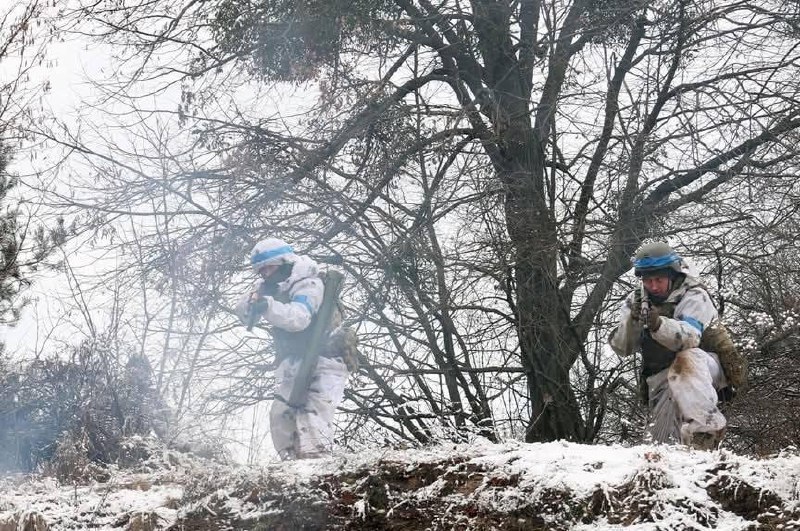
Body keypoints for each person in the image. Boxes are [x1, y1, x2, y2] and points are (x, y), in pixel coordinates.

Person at [235, 237, 352, 460]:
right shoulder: (273, 286)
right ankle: (290, 469)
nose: (265, 274)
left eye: (269, 268)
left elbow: (299, 318)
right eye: (261, 271)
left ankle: (318, 470)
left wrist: (268, 306)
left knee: (313, 418)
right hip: (296, 360)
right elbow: (242, 312)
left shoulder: (308, 283)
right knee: (281, 415)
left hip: (327, 360)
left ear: (284, 263)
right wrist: (254, 302)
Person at [609, 242, 730, 450]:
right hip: (661, 377)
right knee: (660, 447)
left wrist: (658, 324)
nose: (653, 286)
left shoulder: (694, 294)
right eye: (648, 280)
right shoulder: (636, 299)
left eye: (658, 279)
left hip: (706, 368)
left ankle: (706, 433)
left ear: (671, 275)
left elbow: (691, 338)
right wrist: (632, 321)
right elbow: (622, 348)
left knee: (687, 360)